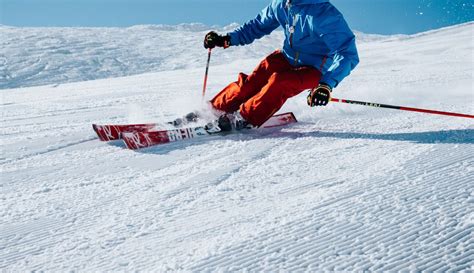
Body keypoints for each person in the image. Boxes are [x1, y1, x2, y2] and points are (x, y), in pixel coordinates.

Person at [203, 0, 359, 131]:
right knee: (252, 82)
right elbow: (256, 26)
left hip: (314, 69)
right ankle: (214, 109)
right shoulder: (282, 4)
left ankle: (243, 118)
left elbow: (347, 53)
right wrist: (226, 39)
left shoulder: (324, 14)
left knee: (280, 82)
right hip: (286, 56)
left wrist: (326, 85)